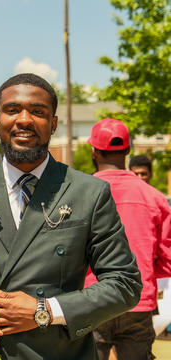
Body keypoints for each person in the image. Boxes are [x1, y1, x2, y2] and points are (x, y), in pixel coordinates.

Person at [0, 73, 142, 360]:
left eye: (37, 112)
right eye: (12, 109)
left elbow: (124, 283)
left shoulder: (90, 192)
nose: (24, 119)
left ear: (53, 124)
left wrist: (46, 311)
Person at [85, 118, 171, 360]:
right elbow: (167, 259)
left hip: (93, 300)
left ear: (93, 151)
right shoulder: (154, 197)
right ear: (128, 150)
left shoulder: (80, 193)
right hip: (138, 299)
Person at [129, 154, 171, 338]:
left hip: (149, 282)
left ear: (151, 175)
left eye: (143, 174)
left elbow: (166, 247)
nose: (139, 178)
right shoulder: (116, 199)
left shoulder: (159, 202)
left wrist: (156, 275)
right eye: (135, 174)